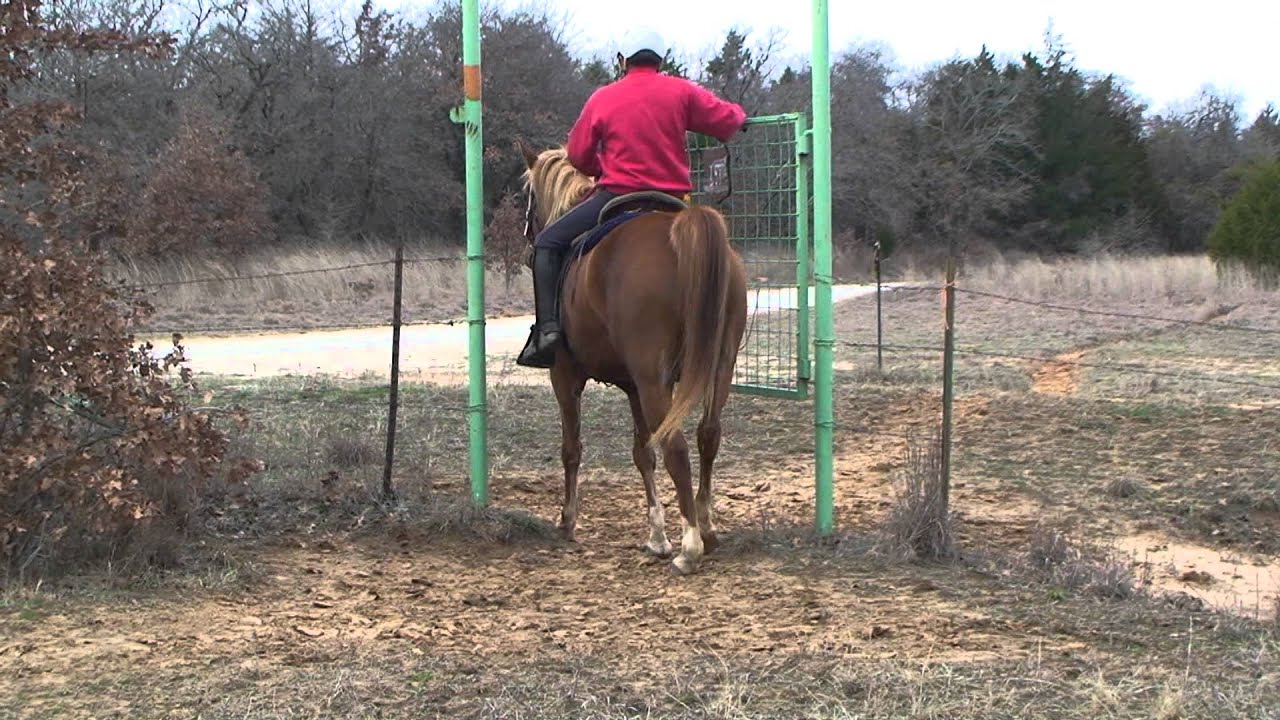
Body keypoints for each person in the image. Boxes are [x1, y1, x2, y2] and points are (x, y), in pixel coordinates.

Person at [516, 26, 748, 368]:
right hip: (672, 199)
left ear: (622, 60)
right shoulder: (681, 90)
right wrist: (741, 119)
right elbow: (724, 120)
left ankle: (547, 334)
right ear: (660, 59)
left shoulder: (603, 98)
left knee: (549, 242)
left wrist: (602, 166)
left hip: (616, 196)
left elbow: (578, 156)